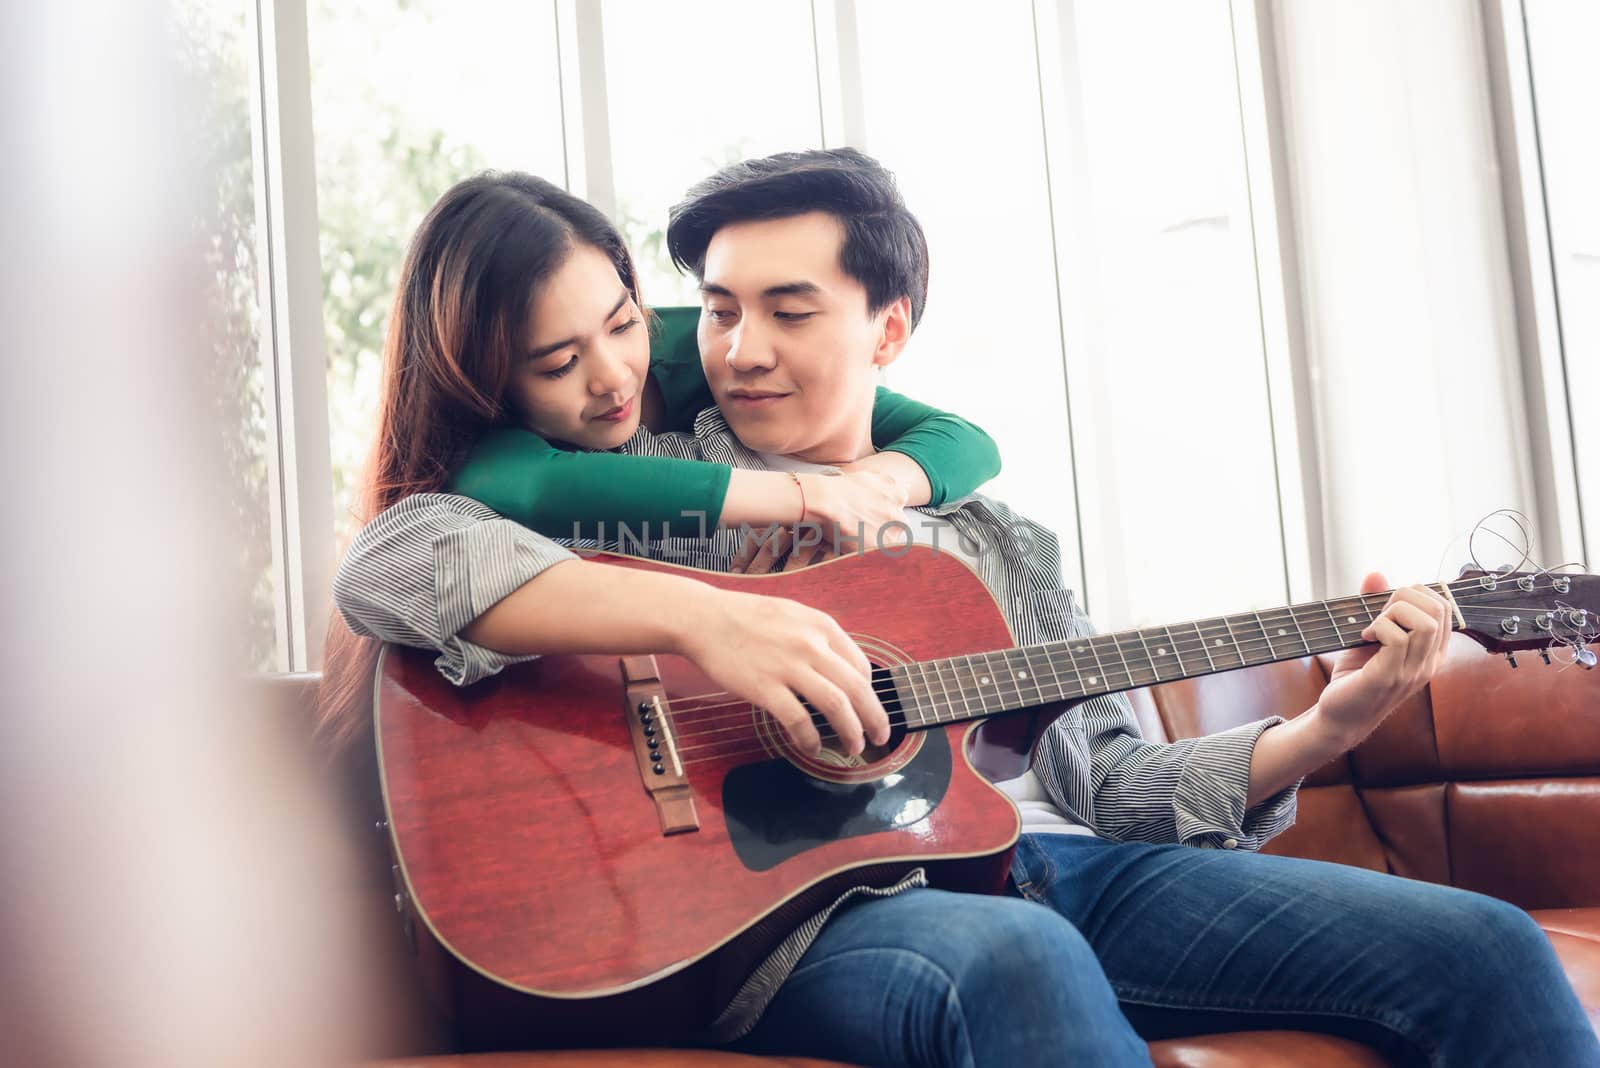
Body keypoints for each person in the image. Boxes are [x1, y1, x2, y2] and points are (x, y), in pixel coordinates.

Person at [329, 151, 1600, 1066]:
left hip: (1056, 867)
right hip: (800, 925)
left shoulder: (990, 536)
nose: (740, 348)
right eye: (715, 311)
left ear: (887, 330)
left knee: (1487, 947)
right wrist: (705, 619)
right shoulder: (641, 486)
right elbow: (394, 559)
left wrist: (1339, 722)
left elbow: (1113, 787)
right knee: (1019, 964)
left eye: (788, 310)